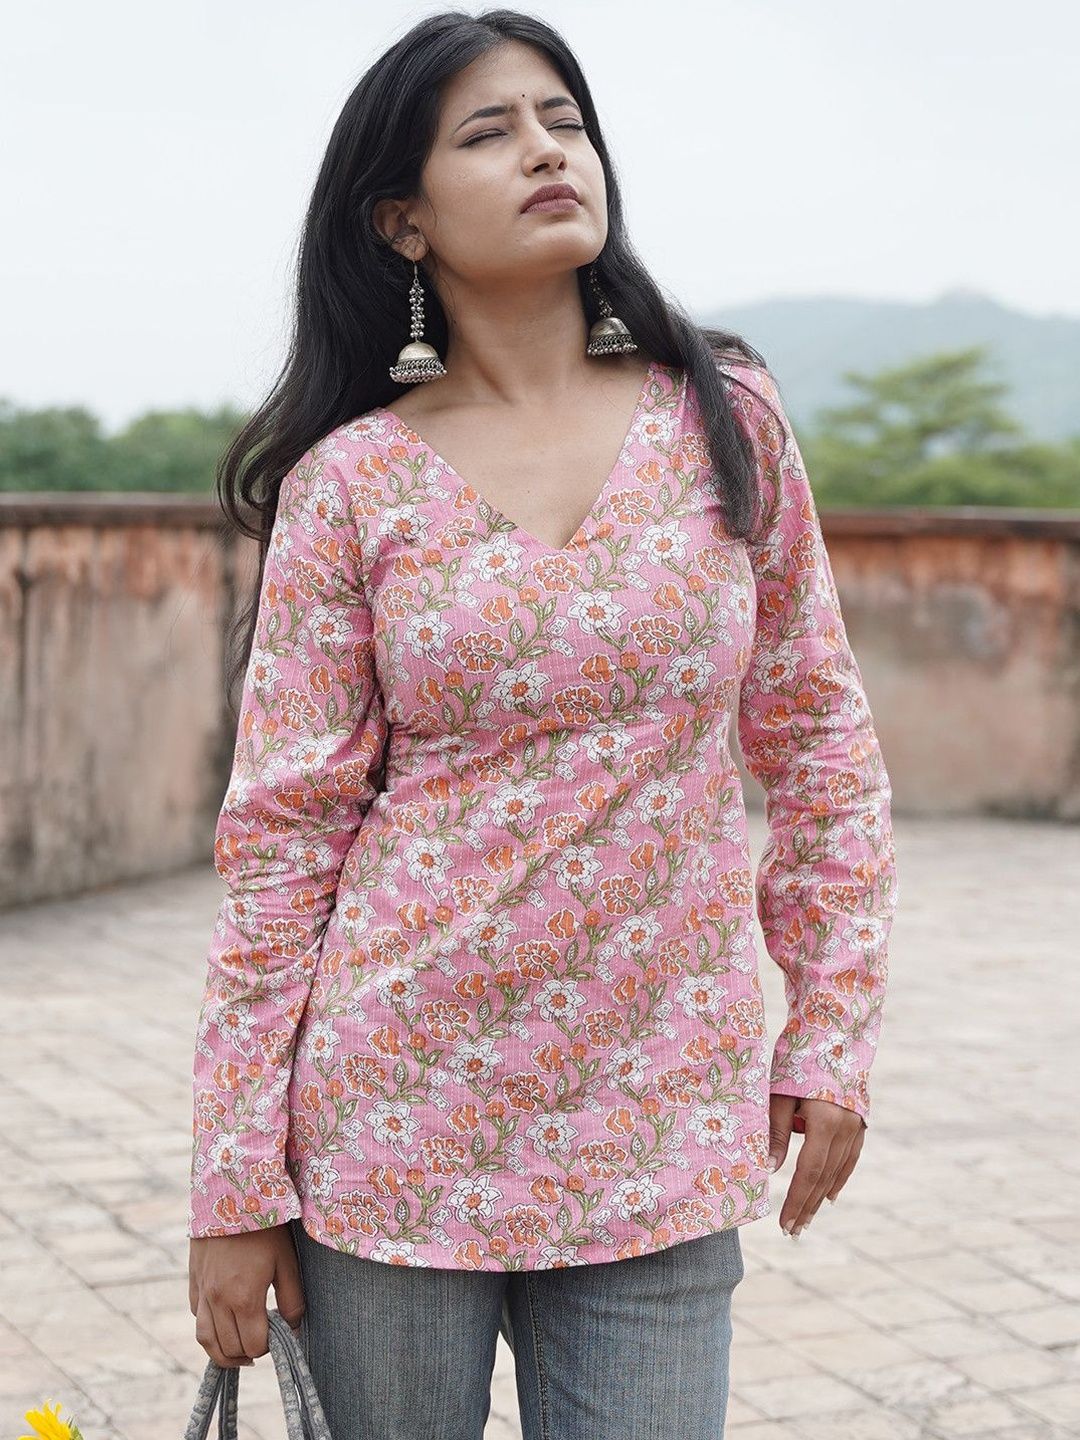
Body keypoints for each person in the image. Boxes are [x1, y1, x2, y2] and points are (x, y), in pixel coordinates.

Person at [187, 10, 898, 1438]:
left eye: (564, 121)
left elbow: (819, 737)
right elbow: (281, 844)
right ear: (401, 219)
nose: (546, 150)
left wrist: (831, 1029)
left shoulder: (725, 418)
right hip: (394, 1124)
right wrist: (234, 1184)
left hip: (661, 1118)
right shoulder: (349, 488)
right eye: (489, 131)